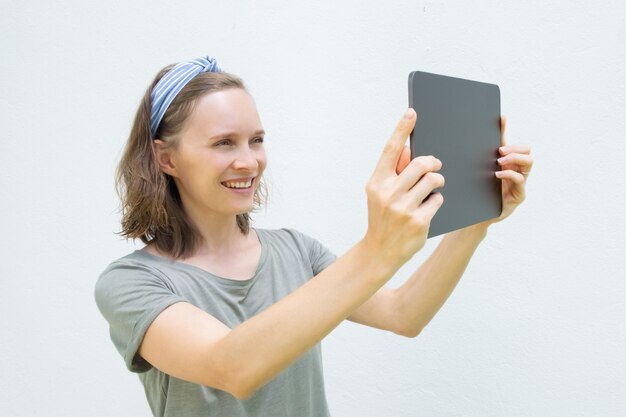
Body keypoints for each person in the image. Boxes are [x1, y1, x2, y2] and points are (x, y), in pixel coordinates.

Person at [94, 56, 533, 417]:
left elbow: (404, 314)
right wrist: (376, 248)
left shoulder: (295, 251)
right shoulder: (131, 284)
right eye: (224, 143)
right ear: (166, 157)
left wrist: (477, 223)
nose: (249, 161)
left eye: (256, 140)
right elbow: (233, 367)